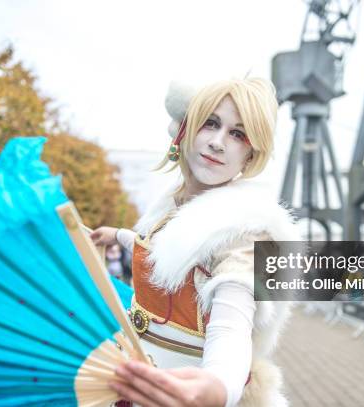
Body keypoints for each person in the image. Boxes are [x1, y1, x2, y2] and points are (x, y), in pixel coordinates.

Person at [91, 78, 298, 406]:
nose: (218, 142)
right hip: (135, 383)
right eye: (210, 123)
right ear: (183, 130)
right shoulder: (171, 206)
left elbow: (232, 324)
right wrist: (117, 235)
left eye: (237, 134)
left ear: (249, 156)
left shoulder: (245, 231)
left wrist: (217, 387)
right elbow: (162, 254)